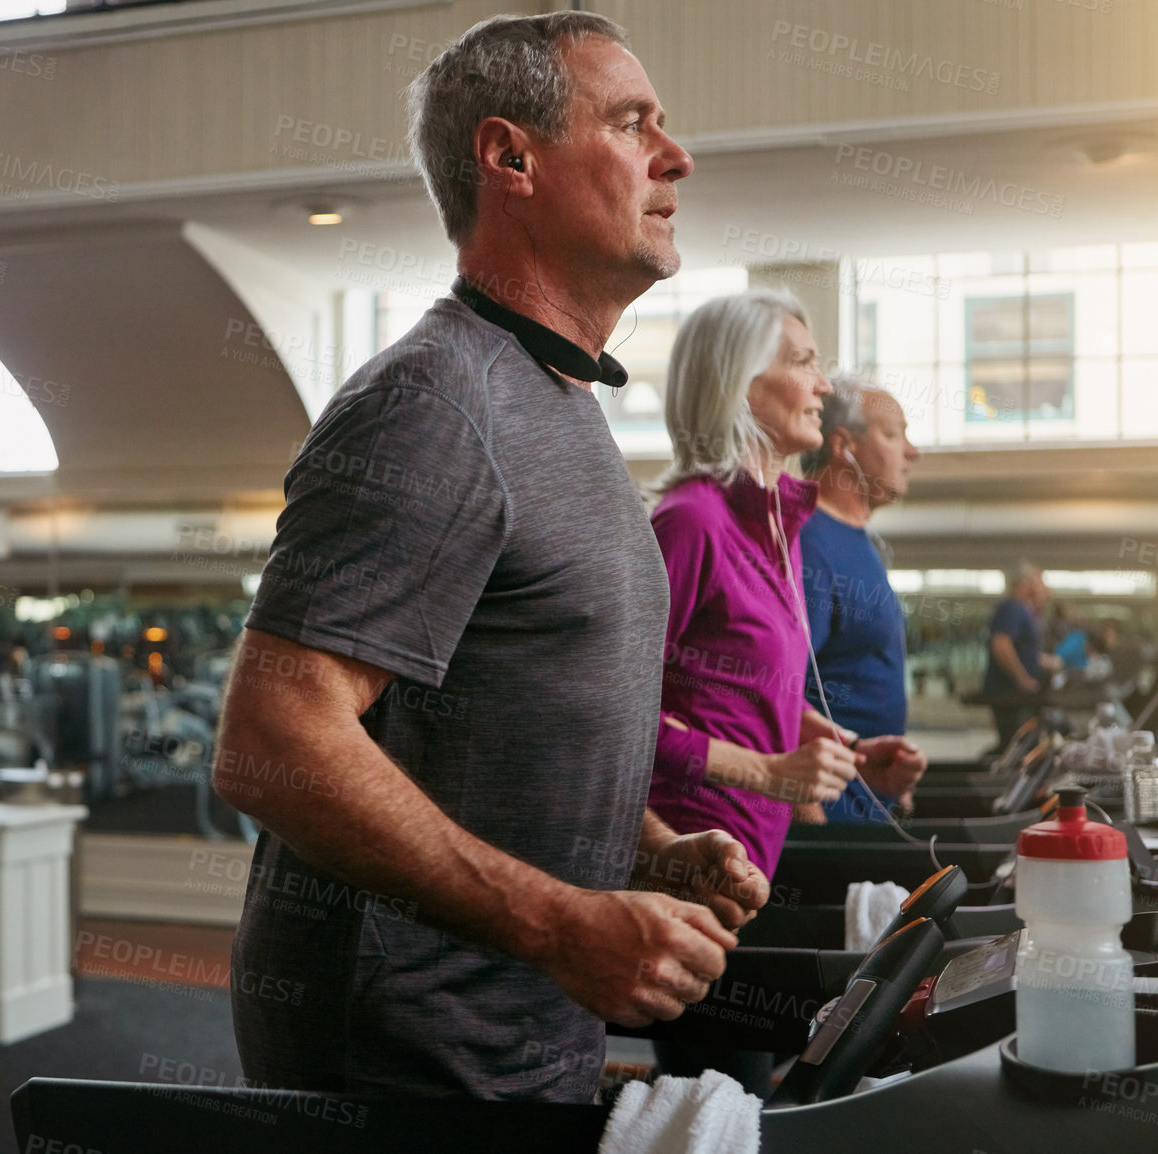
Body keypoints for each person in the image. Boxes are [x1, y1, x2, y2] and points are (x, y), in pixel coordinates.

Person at [213, 12, 767, 1104]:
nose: (676, 154)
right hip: (406, 1059)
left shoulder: (557, 401)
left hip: (517, 1037)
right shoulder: (432, 403)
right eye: (630, 122)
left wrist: (644, 843)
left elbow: (501, 722)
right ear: (510, 158)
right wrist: (562, 920)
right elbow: (272, 737)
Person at [641, 290, 862, 1093]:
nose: (823, 385)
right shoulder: (690, 522)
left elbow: (729, 678)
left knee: (756, 1096)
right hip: (691, 865)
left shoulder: (775, 526)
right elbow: (619, 718)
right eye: (803, 362)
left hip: (753, 863)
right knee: (722, 1111)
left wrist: (808, 731)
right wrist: (770, 773)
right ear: (740, 384)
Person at [797, 375, 929, 822]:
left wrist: (891, 786)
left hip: (870, 796)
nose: (912, 453)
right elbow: (777, 692)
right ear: (842, 446)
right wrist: (808, 819)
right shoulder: (810, 540)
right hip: (831, 811)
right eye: (893, 435)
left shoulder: (860, 540)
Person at [982, 564, 1057, 747]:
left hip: (1016, 692)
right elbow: (1001, 644)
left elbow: (1021, 649)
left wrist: (1042, 660)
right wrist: (1022, 679)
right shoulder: (1012, 607)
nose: (1043, 588)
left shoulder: (1024, 610)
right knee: (1015, 744)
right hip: (1010, 693)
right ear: (1026, 583)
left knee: (1020, 743)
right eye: (1039, 582)